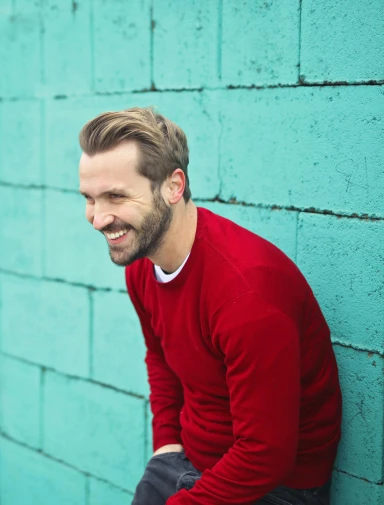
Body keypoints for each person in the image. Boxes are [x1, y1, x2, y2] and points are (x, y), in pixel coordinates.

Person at [76, 107, 342, 505]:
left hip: (275, 488)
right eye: (89, 199)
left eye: (115, 196)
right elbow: (160, 357)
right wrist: (166, 441)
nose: (98, 219)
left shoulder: (248, 294)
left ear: (173, 186)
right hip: (187, 459)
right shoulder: (142, 265)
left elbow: (266, 455)